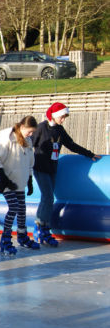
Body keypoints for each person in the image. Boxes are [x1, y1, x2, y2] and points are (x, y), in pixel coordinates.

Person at [32, 102, 101, 246]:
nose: (63, 120)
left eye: (64, 117)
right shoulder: (41, 128)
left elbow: (71, 144)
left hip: (52, 168)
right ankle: (40, 228)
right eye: (61, 117)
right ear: (54, 115)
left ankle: (43, 227)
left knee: (48, 199)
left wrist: (89, 154)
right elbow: (28, 144)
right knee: (48, 196)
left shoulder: (60, 130)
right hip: (40, 167)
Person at [0, 116, 40, 255]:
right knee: (14, 207)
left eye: (32, 132)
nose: (31, 135)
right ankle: (5, 239)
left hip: (20, 181)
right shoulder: (8, 140)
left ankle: (22, 236)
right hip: (7, 181)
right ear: (22, 128)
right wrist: (2, 176)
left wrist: (29, 180)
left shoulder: (28, 141)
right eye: (29, 132)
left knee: (22, 209)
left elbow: (30, 163)